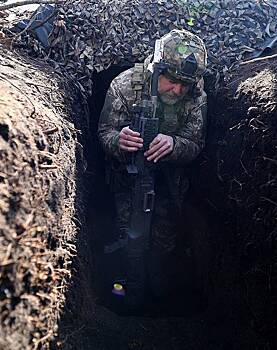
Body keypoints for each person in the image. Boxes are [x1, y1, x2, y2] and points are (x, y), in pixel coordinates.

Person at [98, 29, 208, 302]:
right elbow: (104, 133)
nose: (178, 90)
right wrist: (119, 141)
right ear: (157, 70)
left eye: (185, 84)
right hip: (128, 179)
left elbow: (196, 143)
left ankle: (160, 297)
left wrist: (174, 144)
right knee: (128, 234)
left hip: (169, 182)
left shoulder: (195, 95)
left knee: (165, 241)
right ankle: (126, 293)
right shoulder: (124, 86)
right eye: (172, 81)